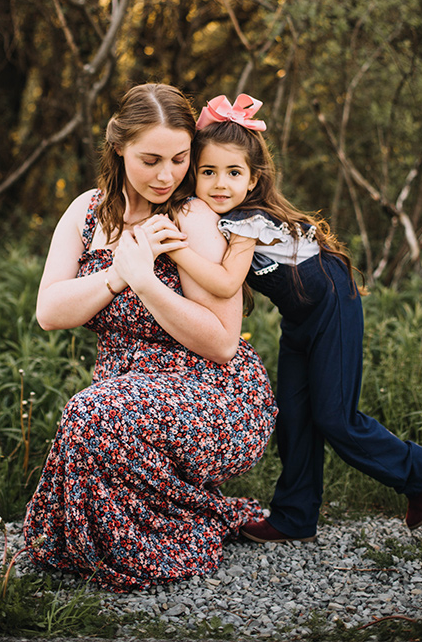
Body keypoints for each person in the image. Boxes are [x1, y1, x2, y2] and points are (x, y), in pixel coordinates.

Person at [158, 93, 422, 544]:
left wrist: (173, 247)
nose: (220, 183)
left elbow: (223, 284)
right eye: (208, 172)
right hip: (300, 318)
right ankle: (295, 516)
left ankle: (420, 470)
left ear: (253, 180)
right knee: (294, 415)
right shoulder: (220, 217)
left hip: (333, 308)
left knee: (334, 417)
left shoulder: (248, 222)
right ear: (193, 174)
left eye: (233, 173)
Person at [23, 83, 277, 591]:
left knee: (91, 411)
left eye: (181, 159)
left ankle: (157, 544)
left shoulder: (191, 216)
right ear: (119, 148)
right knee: (98, 408)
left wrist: (145, 281)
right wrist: (119, 273)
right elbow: (49, 311)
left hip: (211, 391)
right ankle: (96, 545)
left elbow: (222, 342)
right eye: (150, 159)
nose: (167, 175)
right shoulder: (86, 212)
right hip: (123, 386)